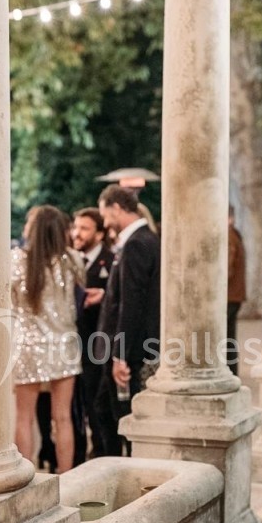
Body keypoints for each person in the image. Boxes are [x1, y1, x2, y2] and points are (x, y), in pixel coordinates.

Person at [11, 206, 84, 472]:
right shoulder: (72, 260)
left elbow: (8, 300)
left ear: (34, 228)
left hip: (29, 344)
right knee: (62, 418)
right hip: (64, 344)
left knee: (24, 418)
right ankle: (66, 478)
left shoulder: (18, 260)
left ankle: (24, 479)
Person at [92, 185, 160, 457]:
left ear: (116, 208)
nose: (105, 222)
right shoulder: (147, 239)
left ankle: (120, 468)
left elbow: (132, 304)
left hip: (129, 350)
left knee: (119, 415)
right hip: (131, 346)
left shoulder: (135, 244)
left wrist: (119, 356)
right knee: (107, 409)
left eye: (105, 215)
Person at [70, 207, 112, 461]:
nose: (77, 233)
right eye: (76, 227)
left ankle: (101, 455)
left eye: (84, 228)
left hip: (98, 346)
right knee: (76, 408)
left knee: (98, 407)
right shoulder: (70, 262)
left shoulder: (110, 260)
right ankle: (76, 458)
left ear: (99, 234)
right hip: (71, 346)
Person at [226, 206, 246, 377]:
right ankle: (232, 372)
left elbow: (227, 266)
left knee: (225, 340)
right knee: (229, 339)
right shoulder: (235, 234)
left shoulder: (228, 236)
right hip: (234, 296)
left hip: (227, 295)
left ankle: (229, 371)